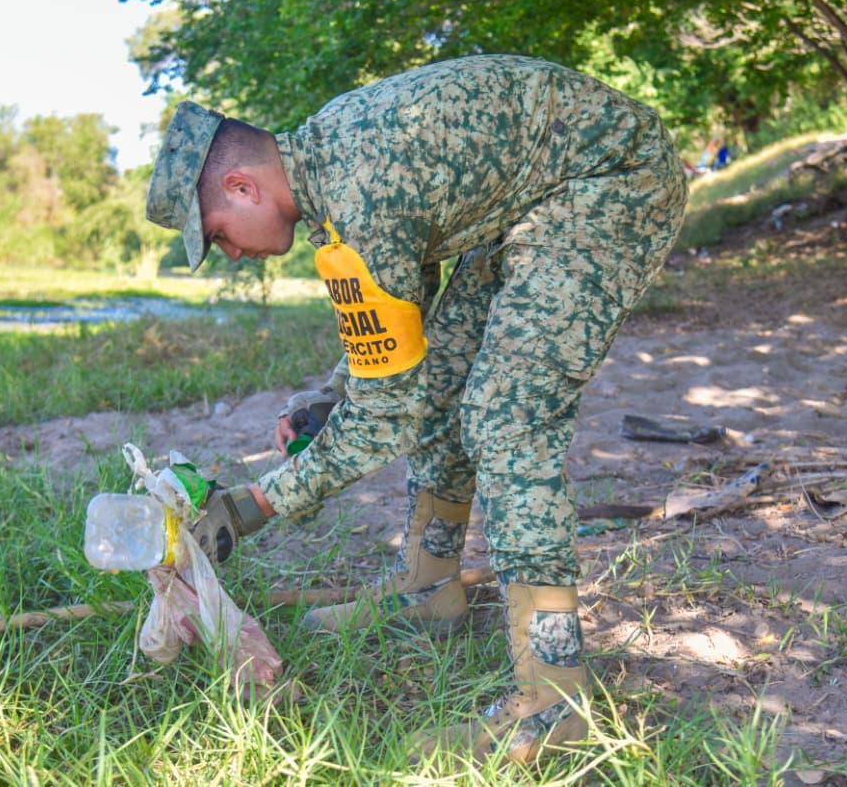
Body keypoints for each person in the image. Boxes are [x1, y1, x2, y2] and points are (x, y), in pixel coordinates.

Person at [145, 54, 687, 765]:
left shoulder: (360, 190)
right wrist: (332, 395)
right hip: (536, 200)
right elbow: (399, 326)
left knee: (508, 417)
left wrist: (245, 508)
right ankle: (431, 589)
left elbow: (383, 420)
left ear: (241, 185)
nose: (231, 253)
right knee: (444, 383)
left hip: (609, 183)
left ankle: (555, 703)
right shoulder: (329, 176)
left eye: (217, 233)